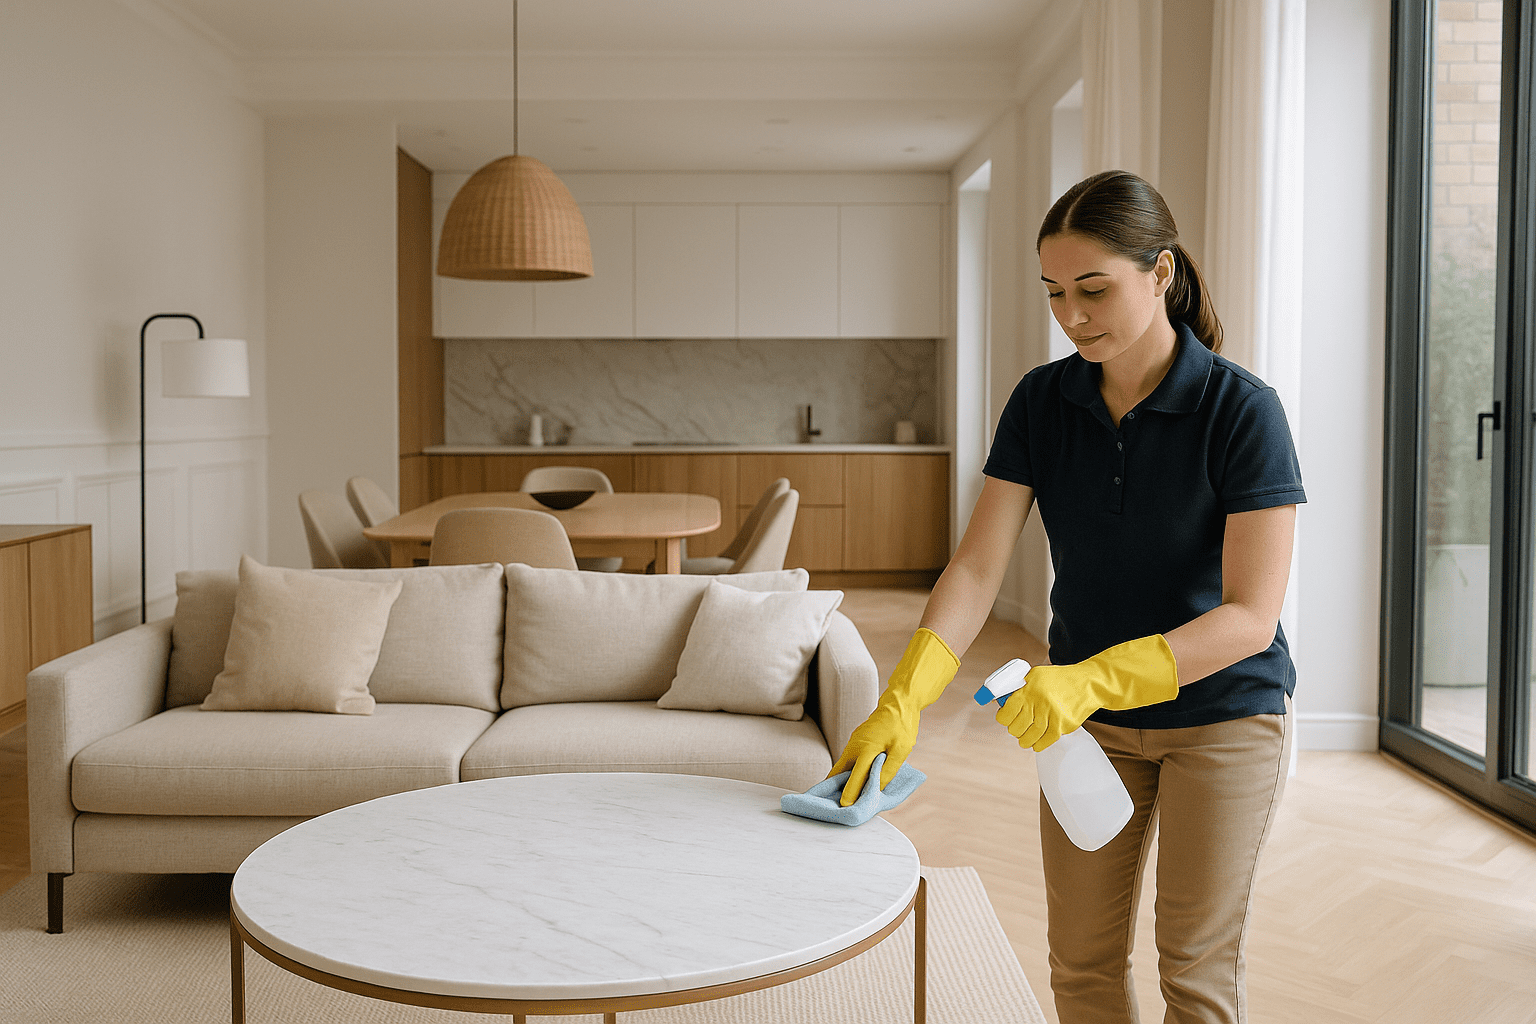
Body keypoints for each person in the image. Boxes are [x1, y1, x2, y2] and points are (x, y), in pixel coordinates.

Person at [829, 169, 1305, 1024]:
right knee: (1081, 965)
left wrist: (1090, 679)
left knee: (1193, 972)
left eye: (1094, 290)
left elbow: (1250, 616)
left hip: (1224, 719)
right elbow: (976, 569)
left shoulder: (1242, 412)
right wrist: (904, 699)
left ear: (1160, 273)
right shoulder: (1044, 402)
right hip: (1088, 732)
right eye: (1055, 293)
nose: (1072, 316)